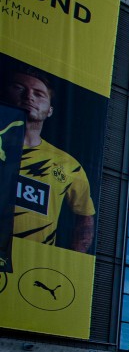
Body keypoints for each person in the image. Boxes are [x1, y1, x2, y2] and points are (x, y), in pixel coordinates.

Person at [3, 67, 95, 252]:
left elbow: (85, 217)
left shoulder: (68, 164)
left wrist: (72, 260)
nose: (29, 97)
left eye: (39, 94)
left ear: (50, 110)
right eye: (19, 88)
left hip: (32, 263)